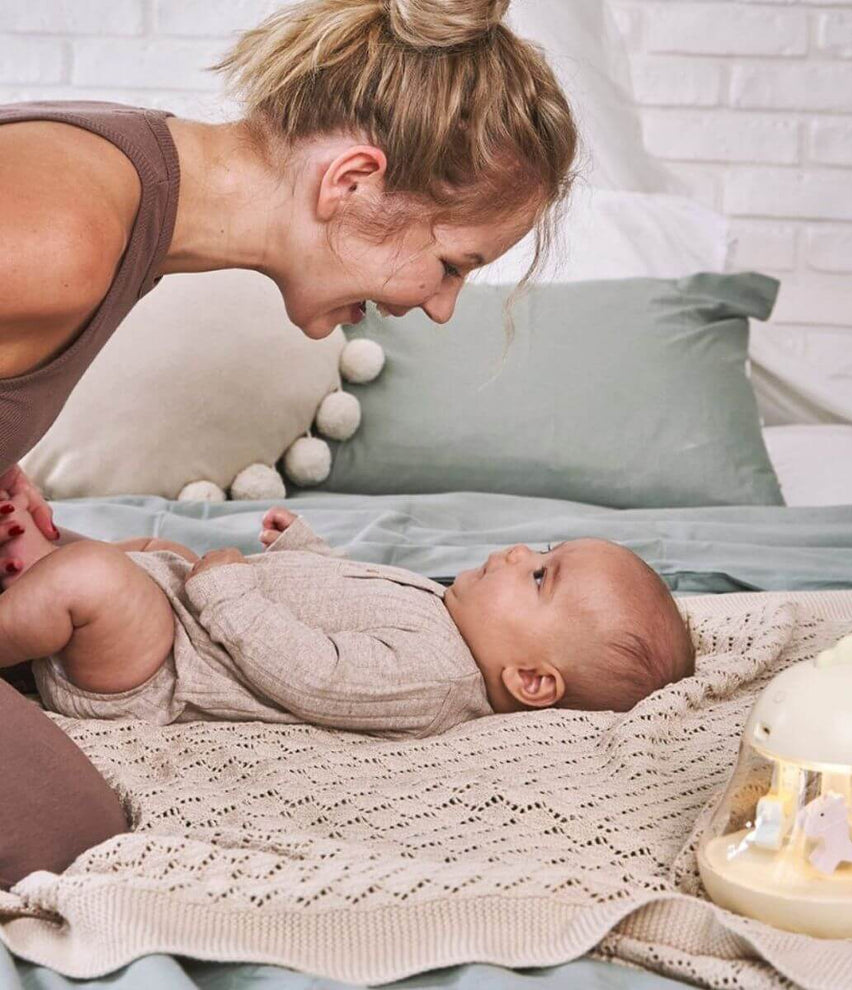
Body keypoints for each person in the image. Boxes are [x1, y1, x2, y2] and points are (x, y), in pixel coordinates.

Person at [0, 0, 578, 887]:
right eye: (454, 263)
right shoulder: (65, 239)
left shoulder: (127, 189)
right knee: (61, 834)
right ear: (351, 181)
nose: (440, 305)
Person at [0, 497, 694, 732]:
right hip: (186, 613)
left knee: (100, 581)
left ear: (533, 681)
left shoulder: (435, 681)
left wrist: (229, 595)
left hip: (162, 668)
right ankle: (36, 574)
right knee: (159, 549)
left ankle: (45, 590)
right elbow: (343, 599)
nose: (517, 551)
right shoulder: (450, 616)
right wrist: (301, 547)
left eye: (541, 574)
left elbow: (314, 673)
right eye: (540, 549)